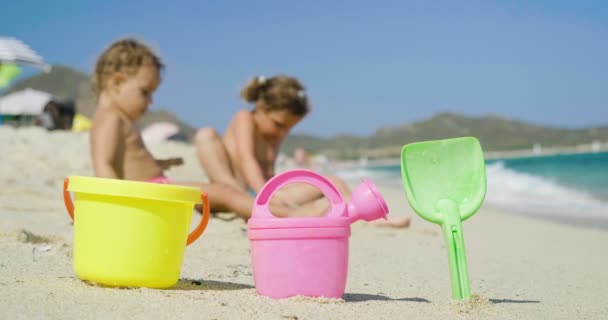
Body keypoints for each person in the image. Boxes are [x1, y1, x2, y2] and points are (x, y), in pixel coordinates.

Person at [195, 75, 410, 227]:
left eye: (289, 128)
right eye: (279, 125)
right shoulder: (245, 118)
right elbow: (246, 158)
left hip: (265, 191)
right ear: (261, 109)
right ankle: (276, 207)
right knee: (206, 134)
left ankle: (357, 212)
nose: (282, 133)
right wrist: (266, 196)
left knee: (332, 181)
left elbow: (270, 170)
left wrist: (281, 194)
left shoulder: (273, 134)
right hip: (241, 191)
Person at [89, 38, 265, 219]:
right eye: (145, 92)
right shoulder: (109, 117)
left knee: (219, 196)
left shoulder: (118, 118)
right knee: (226, 193)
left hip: (155, 189)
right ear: (117, 82)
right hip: (152, 192)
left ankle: (265, 210)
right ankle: (276, 215)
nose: (151, 101)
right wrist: (112, 209)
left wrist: (160, 164)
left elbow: (127, 162)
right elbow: (103, 163)